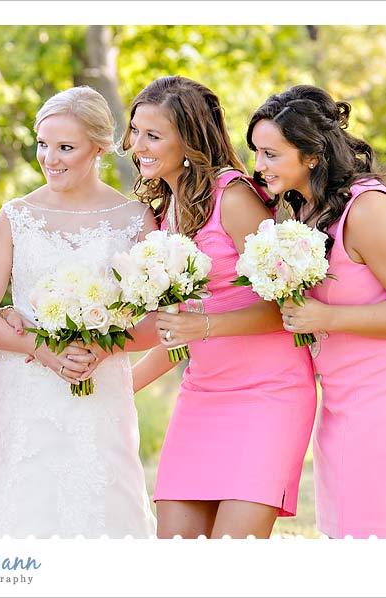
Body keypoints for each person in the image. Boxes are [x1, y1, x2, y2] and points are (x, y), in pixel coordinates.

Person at [0, 86, 158, 539]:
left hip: (100, 388)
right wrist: (43, 349)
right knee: (20, 508)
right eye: (43, 144)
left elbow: (157, 321)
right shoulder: (17, 215)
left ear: (100, 148)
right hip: (26, 387)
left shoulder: (135, 219)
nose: (51, 158)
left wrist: (105, 349)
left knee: (101, 504)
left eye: (66, 147)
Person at [127, 76, 317, 539]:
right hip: (201, 394)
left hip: (268, 395)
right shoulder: (164, 212)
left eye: (153, 135)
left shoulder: (232, 198)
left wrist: (204, 326)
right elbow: (181, 333)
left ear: (190, 140)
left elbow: (289, 311)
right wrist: (119, 387)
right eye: (135, 131)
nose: (138, 146)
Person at [247, 85, 386, 539]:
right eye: (256, 152)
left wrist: (326, 319)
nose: (258, 166)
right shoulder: (309, 214)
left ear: (311, 156)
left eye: (270, 153)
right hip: (341, 404)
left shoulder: (368, 209)